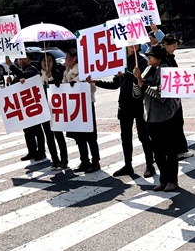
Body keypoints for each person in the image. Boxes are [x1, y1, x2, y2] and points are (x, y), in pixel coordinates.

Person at [89, 44, 156, 178]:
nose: (132, 46)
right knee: (125, 137)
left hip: (139, 103)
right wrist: (96, 82)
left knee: (144, 136)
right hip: (124, 104)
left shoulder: (142, 62)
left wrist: (129, 74)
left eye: (135, 43)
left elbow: (140, 82)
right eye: (129, 44)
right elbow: (115, 84)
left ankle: (150, 165)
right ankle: (128, 165)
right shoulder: (121, 61)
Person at [132, 45, 180, 192]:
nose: (148, 58)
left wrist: (142, 84)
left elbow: (162, 94)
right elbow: (137, 94)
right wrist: (136, 81)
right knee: (157, 151)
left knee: (170, 150)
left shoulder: (166, 70)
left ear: (159, 58)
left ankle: (173, 180)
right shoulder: (147, 70)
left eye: (151, 56)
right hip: (151, 117)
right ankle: (163, 179)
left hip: (166, 115)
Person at [63, 48, 101, 173]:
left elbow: (92, 88)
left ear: (74, 58)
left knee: (90, 134)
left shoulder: (84, 71)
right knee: (78, 135)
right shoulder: (66, 71)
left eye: (67, 57)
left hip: (86, 104)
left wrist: (78, 84)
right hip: (74, 106)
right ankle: (84, 161)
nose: (65, 60)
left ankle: (95, 161)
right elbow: (63, 87)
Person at [5, 52, 46, 162]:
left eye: (24, 58)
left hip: (33, 105)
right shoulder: (18, 73)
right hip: (24, 107)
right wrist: (10, 83)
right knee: (27, 131)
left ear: (30, 59)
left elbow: (25, 76)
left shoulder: (32, 70)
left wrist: (10, 65)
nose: (21, 61)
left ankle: (41, 152)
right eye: (19, 59)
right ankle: (32, 151)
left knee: (37, 130)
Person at [162, 34, 195, 160]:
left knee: (175, 123)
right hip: (170, 97)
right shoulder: (164, 59)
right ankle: (180, 149)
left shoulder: (169, 57)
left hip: (174, 94)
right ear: (165, 44)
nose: (174, 47)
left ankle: (176, 149)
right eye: (173, 45)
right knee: (175, 122)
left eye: (176, 45)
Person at [40, 51, 68, 171]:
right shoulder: (37, 76)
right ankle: (54, 160)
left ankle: (64, 159)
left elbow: (58, 87)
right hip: (43, 110)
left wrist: (50, 77)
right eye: (44, 61)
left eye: (49, 60)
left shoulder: (57, 72)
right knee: (49, 137)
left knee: (58, 135)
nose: (46, 63)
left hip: (55, 109)